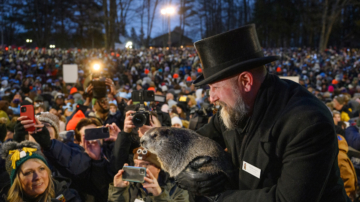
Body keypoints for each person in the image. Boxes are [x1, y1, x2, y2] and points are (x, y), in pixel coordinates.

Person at [174, 24, 350, 201]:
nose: (211, 97)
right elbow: (193, 142)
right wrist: (184, 170)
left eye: (215, 87)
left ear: (245, 81)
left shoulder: (307, 122)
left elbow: (287, 199)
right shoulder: (235, 108)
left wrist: (218, 197)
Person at [0, 140, 81, 202]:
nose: (38, 177)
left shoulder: (67, 195)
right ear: (16, 179)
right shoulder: (4, 198)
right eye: (29, 172)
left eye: (42, 169)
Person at [109, 147, 189, 202]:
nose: (138, 168)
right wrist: (119, 190)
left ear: (159, 168)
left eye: (145, 164)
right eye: (136, 164)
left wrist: (159, 195)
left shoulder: (177, 189)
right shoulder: (129, 184)